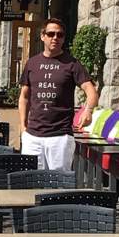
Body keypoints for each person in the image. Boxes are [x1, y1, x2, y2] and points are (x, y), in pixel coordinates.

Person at [18, 17, 99, 171]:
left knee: (58, 186)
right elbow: (24, 97)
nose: (55, 38)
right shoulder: (32, 63)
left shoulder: (72, 64)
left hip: (60, 137)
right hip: (33, 136)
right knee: (29, 183)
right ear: (43, 36)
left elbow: (91, 90)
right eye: (51, 34)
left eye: (60, 35)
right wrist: (23, 127)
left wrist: (88, 111)